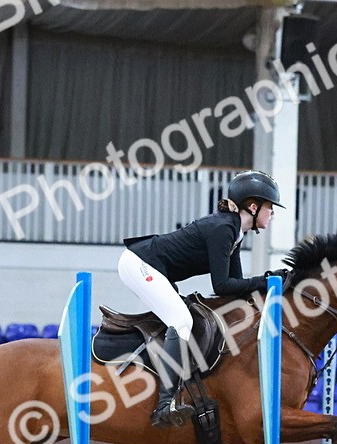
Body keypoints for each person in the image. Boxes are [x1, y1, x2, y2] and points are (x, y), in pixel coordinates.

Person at [119, 170, 284, 428]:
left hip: (153, 267)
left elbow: (234, 289)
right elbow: (221, 285)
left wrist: (268, 282)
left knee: (183, 318)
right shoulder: (223, 229)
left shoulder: (235, 232)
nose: (271, 214)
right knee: (181, 321)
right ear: (253, 207)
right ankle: (164, 406)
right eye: (270, 208)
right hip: (140, 265)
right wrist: (265, 279)